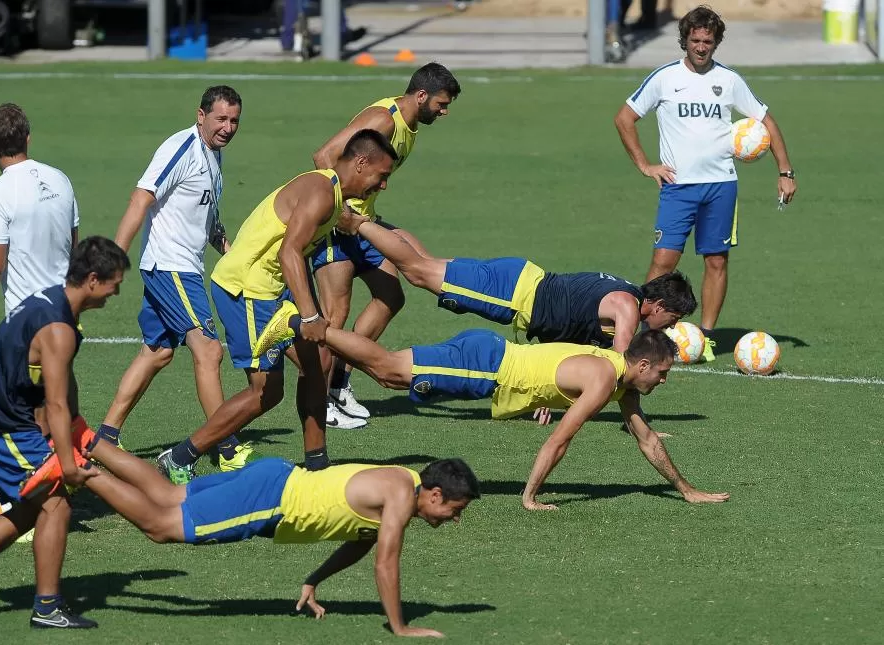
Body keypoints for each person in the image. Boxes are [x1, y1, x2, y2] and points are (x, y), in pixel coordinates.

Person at [255, 307, 730, 511]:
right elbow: (560, 439)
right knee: (387, 370)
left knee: (388, 370)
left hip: (489, 363)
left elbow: (646, 439)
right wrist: (529, 494)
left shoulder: (622, 383)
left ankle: (299, 328)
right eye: (661, 374)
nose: (662, 383)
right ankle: (296, 323)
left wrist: (686, 489)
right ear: (642, 364)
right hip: (486, 366)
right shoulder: (605, 377)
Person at [20, 427, 478, 638]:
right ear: (435, 494)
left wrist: (314, 579)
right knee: (161, 527)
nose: (453, 520)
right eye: (454, 510)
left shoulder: (401, 482)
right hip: (270, 501)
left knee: (166, 495)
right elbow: (386, 561)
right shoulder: (400, 497)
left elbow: (360, 542)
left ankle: (88, 441)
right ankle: (81, 471)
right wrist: (399, 627)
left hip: (273, 477)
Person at [153, 129, 397, 484]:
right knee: (265, 393)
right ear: (361, 163)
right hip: (247, 290)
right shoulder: (321, 192)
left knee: (320, 362)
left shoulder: (334, 194)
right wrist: (311, 315)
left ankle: (316, 466)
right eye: (382, 176)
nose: (383, 185)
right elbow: (289, 252)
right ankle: (179, 457)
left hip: (273, 289)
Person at [0, 237, 130, 628]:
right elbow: (52, 403)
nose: (116, 291)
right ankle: (48, 608)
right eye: (113, 283)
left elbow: (60, 386)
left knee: (32, 504)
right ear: (91, 279)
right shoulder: (58, 328)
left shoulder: (53, 302)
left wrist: (70, 428)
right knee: (57, 502)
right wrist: (68, 465)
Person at [614, 5, 796, 361]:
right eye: (695, 40)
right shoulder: (665, 78)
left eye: (708, 41)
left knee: (716, 261)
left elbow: (767, 122)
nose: (701, 47)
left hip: (721, 186)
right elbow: (624, 119)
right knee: (662, 261)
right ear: (685, 41)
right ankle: (643, 332)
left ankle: (707, 337)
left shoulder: (728, 81)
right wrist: (645, 166)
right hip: (678, 187)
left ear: (716, 43)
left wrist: (785, 171)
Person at [98, 86, 249, 468]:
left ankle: (105, 438)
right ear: (201, 116)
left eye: (234, 121)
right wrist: (114, 255)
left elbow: (208, 221)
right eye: (220, 119)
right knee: (209, 349)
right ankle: (226, 447)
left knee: (157, 352)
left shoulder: (214, 156)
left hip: (181, 267)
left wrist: (234, 256)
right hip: (172, 267)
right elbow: (141, 198)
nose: (228, 128)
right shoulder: (180, 149)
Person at [311, 62, 461, 428]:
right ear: (421, 95)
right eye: (441, 104)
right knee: (333, 317)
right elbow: (324, 156)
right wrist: (340, 210)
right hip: (337, 225)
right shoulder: (385, 120)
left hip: (363, 225)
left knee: (391, 296)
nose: (444, 113)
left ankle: (338, 385)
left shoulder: (408, 127)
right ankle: (318, 404)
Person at [0, 103, 81, 538]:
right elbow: (73, 244)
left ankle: (25, 499)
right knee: (60, 398)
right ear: (28, 138)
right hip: (64, 312)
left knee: (28, 410)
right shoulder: (61, 179)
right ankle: (58, 478)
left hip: (26, 322)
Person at [349, 219, 696, 353]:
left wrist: (550, 388)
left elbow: (567, 328)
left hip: (520, 277)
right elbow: (620, 365)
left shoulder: (626, 291)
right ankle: (357, 223)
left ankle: (379, 225)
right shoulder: (626, 307)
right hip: (514, 294)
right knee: (417, 271)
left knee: (425, 261)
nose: (672, 326)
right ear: (660, 306)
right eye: (674, 318)